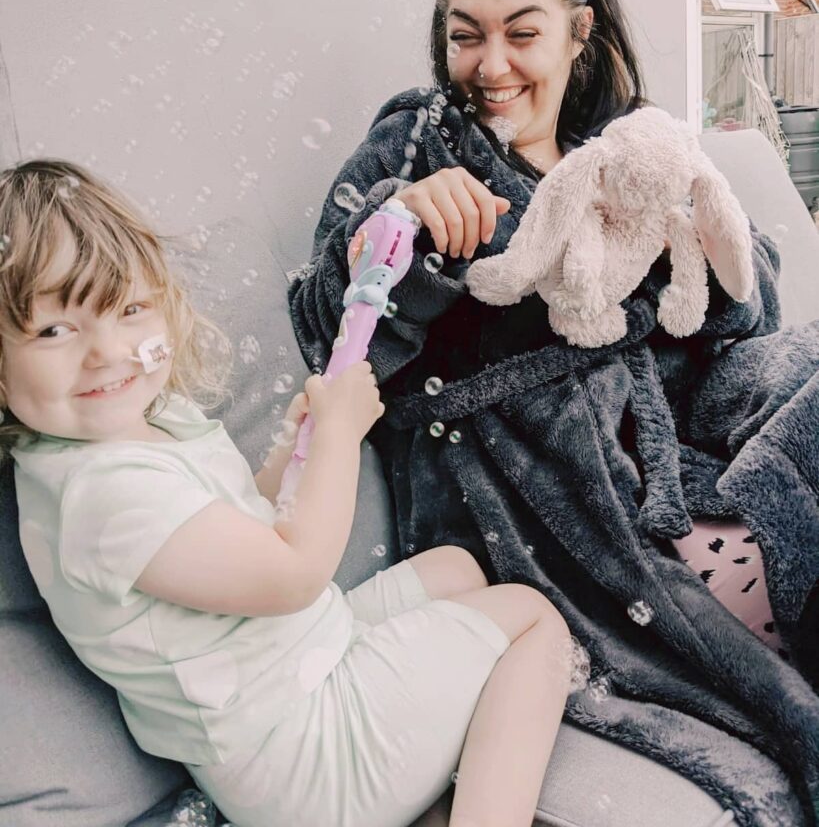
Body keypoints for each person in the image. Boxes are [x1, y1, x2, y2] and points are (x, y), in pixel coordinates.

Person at [289, 0, 819, 825]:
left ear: (580, 32)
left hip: (693, 456)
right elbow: (327, 339)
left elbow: (741, 316)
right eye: (466, 37)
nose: (490, 66)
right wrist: (401, 228)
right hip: (554, 498)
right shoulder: (419, 144)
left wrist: (689, 234)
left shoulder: (628, 148)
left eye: (520, 34)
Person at [0, 158, 574, 827]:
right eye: (54, 330)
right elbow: (293, 573)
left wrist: (291, 452)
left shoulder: (146, 428)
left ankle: (441, 771)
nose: (107, 353)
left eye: (127, 310)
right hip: (306, 760)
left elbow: (245, 525)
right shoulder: (99, 497)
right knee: (531, 619)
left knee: (456, 568)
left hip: (299, 669)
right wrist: (334, 441)